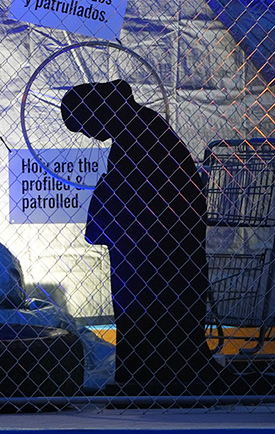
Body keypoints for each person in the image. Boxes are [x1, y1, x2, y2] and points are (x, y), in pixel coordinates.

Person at [61, 79, 211, 395]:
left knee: (141, 313)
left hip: (155, 250)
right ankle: (150, 379)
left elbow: (131, 194)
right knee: (155, 314)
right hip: (164, 247)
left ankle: (140, 380)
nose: (89, 135)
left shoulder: (137, 134)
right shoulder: (141, 126)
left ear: (97, 112)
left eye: (85, 125)